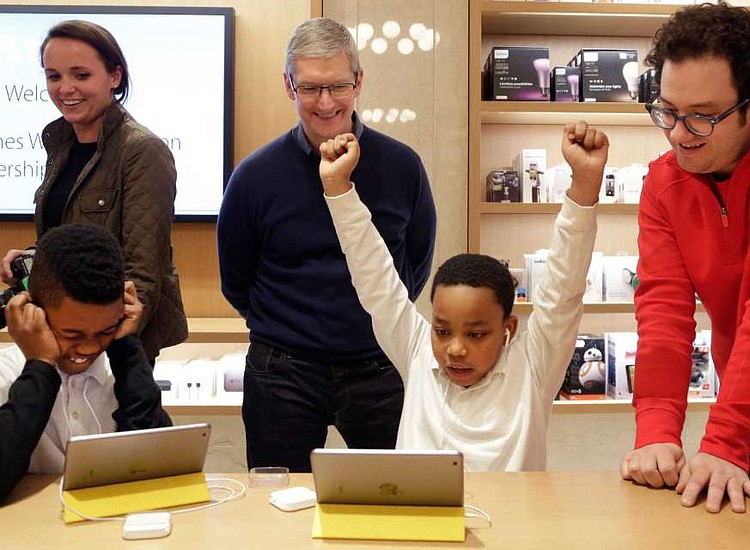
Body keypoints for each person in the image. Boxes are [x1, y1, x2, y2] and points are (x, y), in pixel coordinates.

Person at [317, 121, 608, 471]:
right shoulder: (418, 353)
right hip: (422, 509)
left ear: (508, 329)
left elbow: (564, 285)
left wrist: (585, 183)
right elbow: (374, 277)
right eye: (442, 331)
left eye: (476, 334)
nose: (455, 349)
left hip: (512, 509)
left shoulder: (533, 365)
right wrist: (338, 188)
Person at [217, 17, 437, 472]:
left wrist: (380, 323)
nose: (326, 102)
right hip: (283, 370)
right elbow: (236, 279)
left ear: (358, 81)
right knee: (279, 501)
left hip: (382, 364)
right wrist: (289, 328)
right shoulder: (254, 177)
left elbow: (416, 264)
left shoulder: (403, 167)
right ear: (289, 85)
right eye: (310, 88)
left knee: (397, 495)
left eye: (337, 86)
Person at [619, 1, 750, 514]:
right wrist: (656, 431)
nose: (677, 133)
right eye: (669, 110)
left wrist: (727, 440)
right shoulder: (663, 183)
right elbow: (663, 311)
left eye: (702, 117)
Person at [0, 19, 187, 363]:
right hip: (62, 333)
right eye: (53, 76)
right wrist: (35, 257)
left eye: (81, 75)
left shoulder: (142, 149)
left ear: (115, 77)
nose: (65, 88)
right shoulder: (61, 144)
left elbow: (143, 273)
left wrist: (97, 346)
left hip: (107, 344)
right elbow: (76, 239)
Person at [0, 224, 171, 503]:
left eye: (105, 331)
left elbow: (157, 467)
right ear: (32, 312)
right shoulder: (5, 374)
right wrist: (40, 365)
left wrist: (126, 348)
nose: (90, 348)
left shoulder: (122, 370)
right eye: (72, 334)